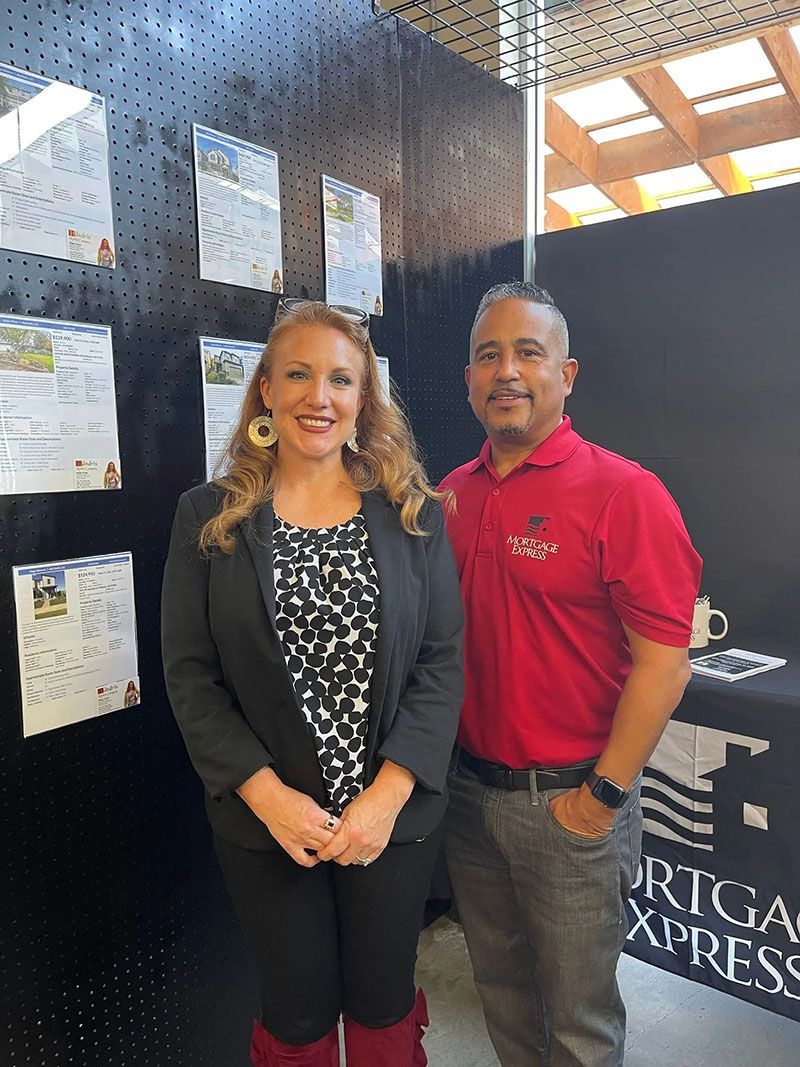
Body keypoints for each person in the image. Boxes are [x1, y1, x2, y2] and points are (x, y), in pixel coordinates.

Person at [162, 299, 463, 1067]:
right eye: (297, 374)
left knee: (382, 1005)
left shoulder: (411, 514)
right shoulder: (210, 518)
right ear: (266, 387)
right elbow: (192, 678)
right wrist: (269, 797)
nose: (317, 397)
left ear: (363, 399)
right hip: (268, 824)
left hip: (391, 819)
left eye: (340, 379)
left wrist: (387, 795)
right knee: (295, 1018)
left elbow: (441, 661)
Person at [440, 281, 701, 1067]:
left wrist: (604, 798)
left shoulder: (625, 493)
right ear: (469, 379)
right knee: (503, 996)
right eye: (490, 355)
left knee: (582, 1024)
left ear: (567, 373)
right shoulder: (451, 495)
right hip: (468, 799)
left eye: (529, 352)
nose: (507, 371)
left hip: (570, 806)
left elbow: (665, 662)